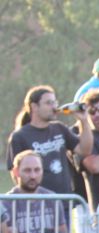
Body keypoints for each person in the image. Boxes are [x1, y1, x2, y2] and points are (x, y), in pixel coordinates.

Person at [6, 86, 94, 219]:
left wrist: (84, 121)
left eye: (54, 102)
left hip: (63, 203)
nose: (54, 107)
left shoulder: (59, 128)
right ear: (34, 107)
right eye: (48, 103)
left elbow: (85, 150)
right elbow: (15, 173)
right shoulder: (20, 136)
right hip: (37, 206)